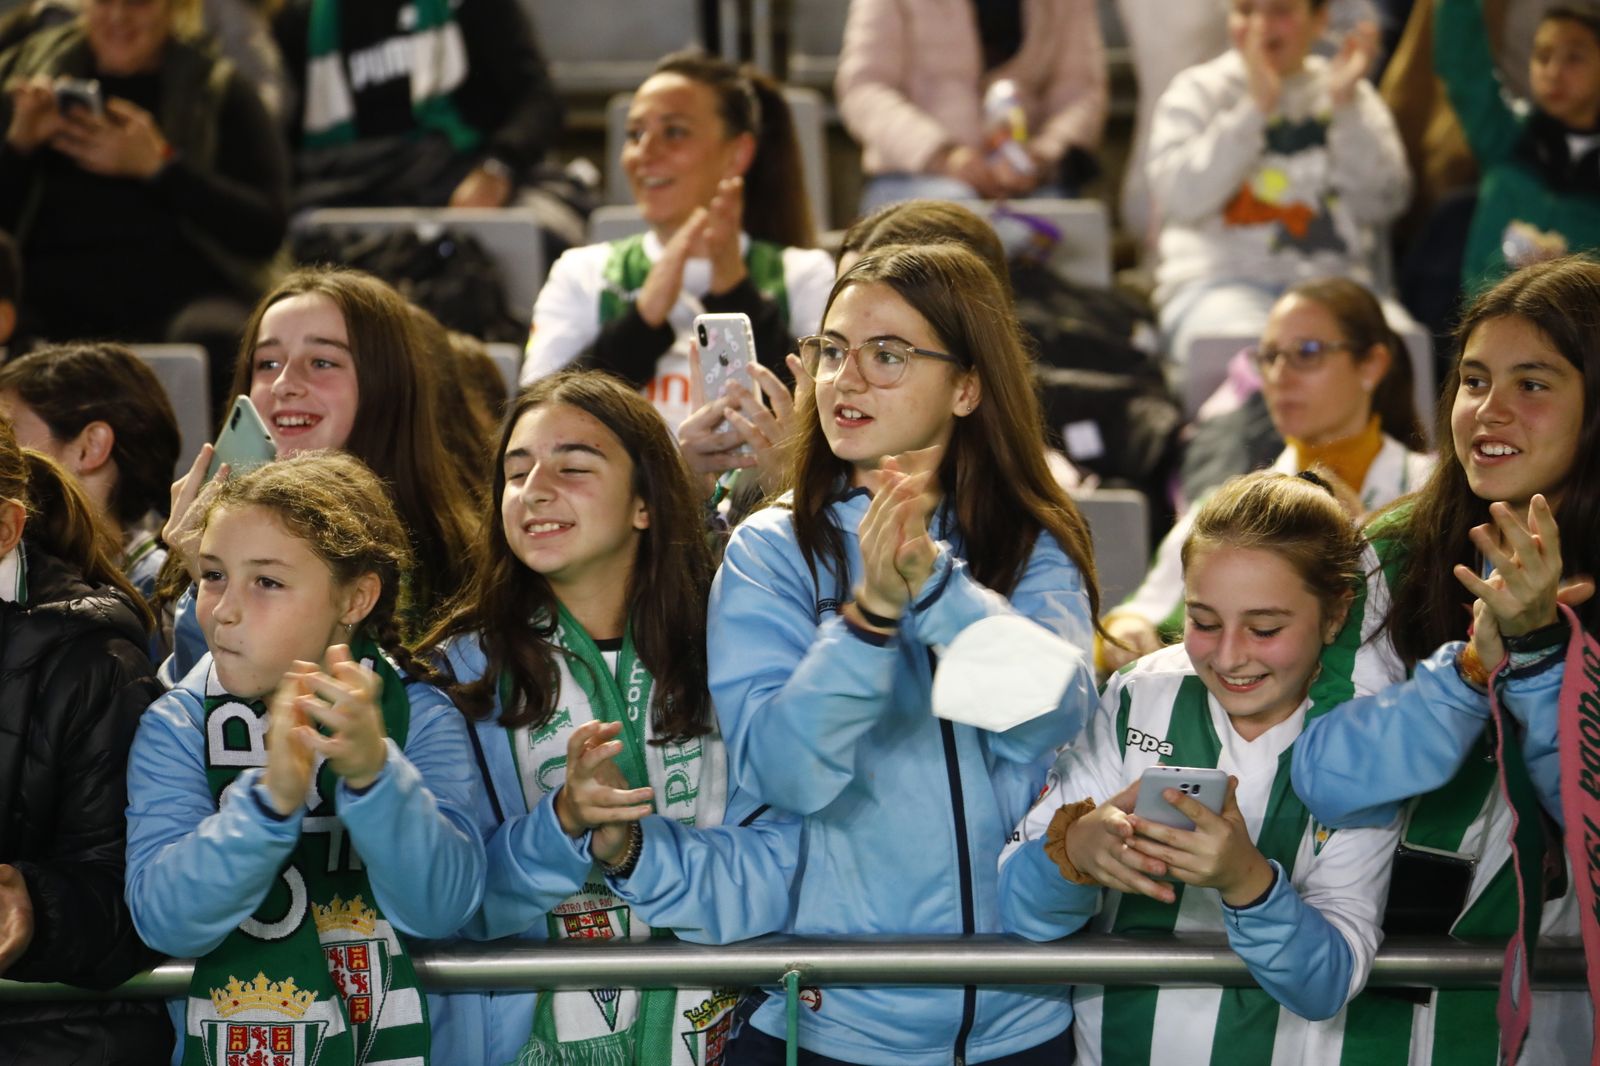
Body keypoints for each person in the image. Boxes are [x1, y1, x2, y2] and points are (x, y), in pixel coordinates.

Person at [709, 244, 1102, 1064]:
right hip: (825, 1026)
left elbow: (1049, 720)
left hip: (1021, 1028)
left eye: (887, 355)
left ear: (966, 386)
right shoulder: (770, 549)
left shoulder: (1030, 542)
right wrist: (869, 620)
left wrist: (933, 589)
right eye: (831, 350)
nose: (846, 380)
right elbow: (787, 772)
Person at [415, 371, 798, 1065]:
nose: (535, 490)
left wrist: (634, 850)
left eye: (574, 467)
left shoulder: (736, 655)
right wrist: (560, 825)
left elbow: (787, 872)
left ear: (646, 503)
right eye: (517, 470)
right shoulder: (454, 678)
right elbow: (450, 904)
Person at [1292, 254, 1600, 1062]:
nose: (1489, 412)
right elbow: (1324, 774)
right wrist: (1469, 673)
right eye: (1472, 381)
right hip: (1373, 1002)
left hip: (1560, 1009)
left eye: (1532, 384)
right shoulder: (1392, 551)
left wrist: (1537, 658)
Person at [1002, 470, 1401, 1064]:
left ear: (1336, 615)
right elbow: (1019, 912)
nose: (1231, 654)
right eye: (1203, 622)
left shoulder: (1366, 740)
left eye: (1265, 629)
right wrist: (1075, 853)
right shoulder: (1142, 694)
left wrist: (1247, 883)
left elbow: (1327, 983)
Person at [125, 451, 486, 1066]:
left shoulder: (420, 716)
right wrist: (269, 805)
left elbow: (442, 907)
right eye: (213, 575)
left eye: (266, 581)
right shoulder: (178, 722)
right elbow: (165, 921)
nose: (225, 609)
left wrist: (375, 777)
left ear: (355, 599)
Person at [162, 266, 481, 678]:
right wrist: (208, 576)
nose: (283, 383)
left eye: (322, 361)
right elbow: (191, 720)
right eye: (268, 362)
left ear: (386, 385)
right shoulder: (191, 542)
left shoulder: (459, 564)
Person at [1104, 277, 1432, 668]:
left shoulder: (1432, 487)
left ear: (1372, 365)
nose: (1280, 374)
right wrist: (1128, 629)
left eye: (1307, 352)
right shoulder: (1239, 498)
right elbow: (1148, 607)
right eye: (1269, 355)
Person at [0, 0, 290, 411]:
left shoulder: (218, 90)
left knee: (220, 338)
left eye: (138, 2)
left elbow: (264, 229)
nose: (119, 17)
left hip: (180, 298)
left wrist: (161, 167)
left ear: (174, 8)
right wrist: (19, 147)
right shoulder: (21, 79)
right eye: (105, 1)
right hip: (47, 299)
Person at [522, 50, 834, 431]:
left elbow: (823, 423)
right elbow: (535, 424)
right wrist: (642, 323)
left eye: (674, 132)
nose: (644, 153)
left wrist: (735, 290)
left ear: (738, 153)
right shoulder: (582, 272)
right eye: (635, 134)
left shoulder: (803, 273)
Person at [0, 416, 168, 1064]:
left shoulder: (95, 666)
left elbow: (136, 905)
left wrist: (34, 907)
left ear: (8, 528)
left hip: (53, 1040)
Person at [1149, 0, 1410, 374]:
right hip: (1220, 285)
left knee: (1398, 350)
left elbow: (1384, 202)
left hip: (1336, 284)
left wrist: (1345, 107)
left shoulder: (1350, 92)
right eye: (1245, 10)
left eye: (1280, 11)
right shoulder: (1195, 92)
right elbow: (1181, 199)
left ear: (1319, 20)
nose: (1260, 26)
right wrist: (1255, 109)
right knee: (1257, 358)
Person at [272, 0, 563, 210]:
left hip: (463, 181)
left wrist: (498, 169)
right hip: (347, 195)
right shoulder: (300, 19)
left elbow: (538, 99)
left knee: (542, 228)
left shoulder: (470, 6)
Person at [836, 0, 1107, 213]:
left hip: (1028, 185)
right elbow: (864, 88)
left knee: (1061, 221)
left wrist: (1040, 157)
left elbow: (1081, 91)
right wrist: (944, 156)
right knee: (959, 216)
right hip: (914, 177)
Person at [1436, 0, 1600, 294]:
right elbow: (1464, 68)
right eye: (1542, 55)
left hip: (1580, 335)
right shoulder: (1507, 138)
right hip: (1488, 323)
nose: (1553, 72)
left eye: (1574, 58)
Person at [0, 341, 181, 599]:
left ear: (90, 447)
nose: (3, 446)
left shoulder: (164, 597)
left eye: (8, 429)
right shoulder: (29, 576)